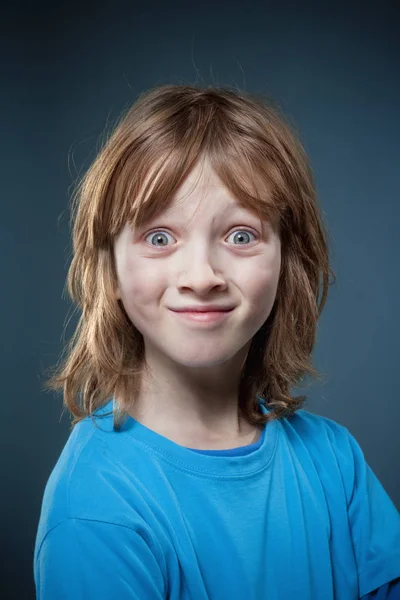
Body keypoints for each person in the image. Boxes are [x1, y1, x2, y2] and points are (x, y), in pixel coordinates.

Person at [33, 84, 400, 599]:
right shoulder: (96, 506)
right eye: (159, 237)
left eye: (241, 235)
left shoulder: (336, 464)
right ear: (110, 269)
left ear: (285, 263)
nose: (201, 275)